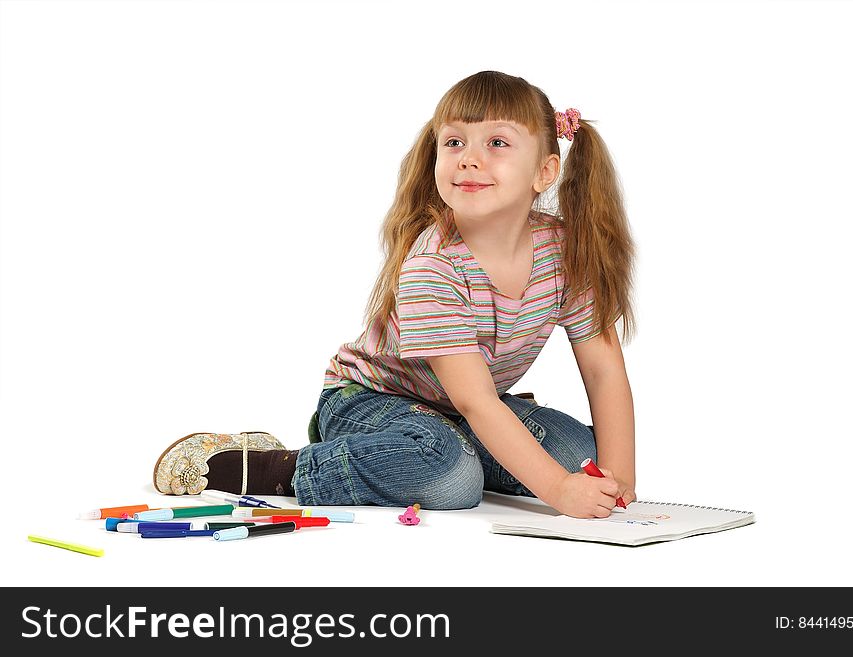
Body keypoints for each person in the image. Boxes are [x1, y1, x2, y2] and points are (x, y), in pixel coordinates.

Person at [153, 70, 637, 519]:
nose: (469, 157)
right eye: (454, 142)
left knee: (583, 458)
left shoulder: (566, 252)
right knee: (453, 481)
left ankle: (460, 449)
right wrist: (557, 491)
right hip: (371, 399)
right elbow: (476, 403)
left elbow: (602, 369)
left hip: (463, 407)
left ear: (545, 172)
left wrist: (619, 479)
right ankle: (267, 466)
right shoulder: (435, 266)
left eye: (496, 142)